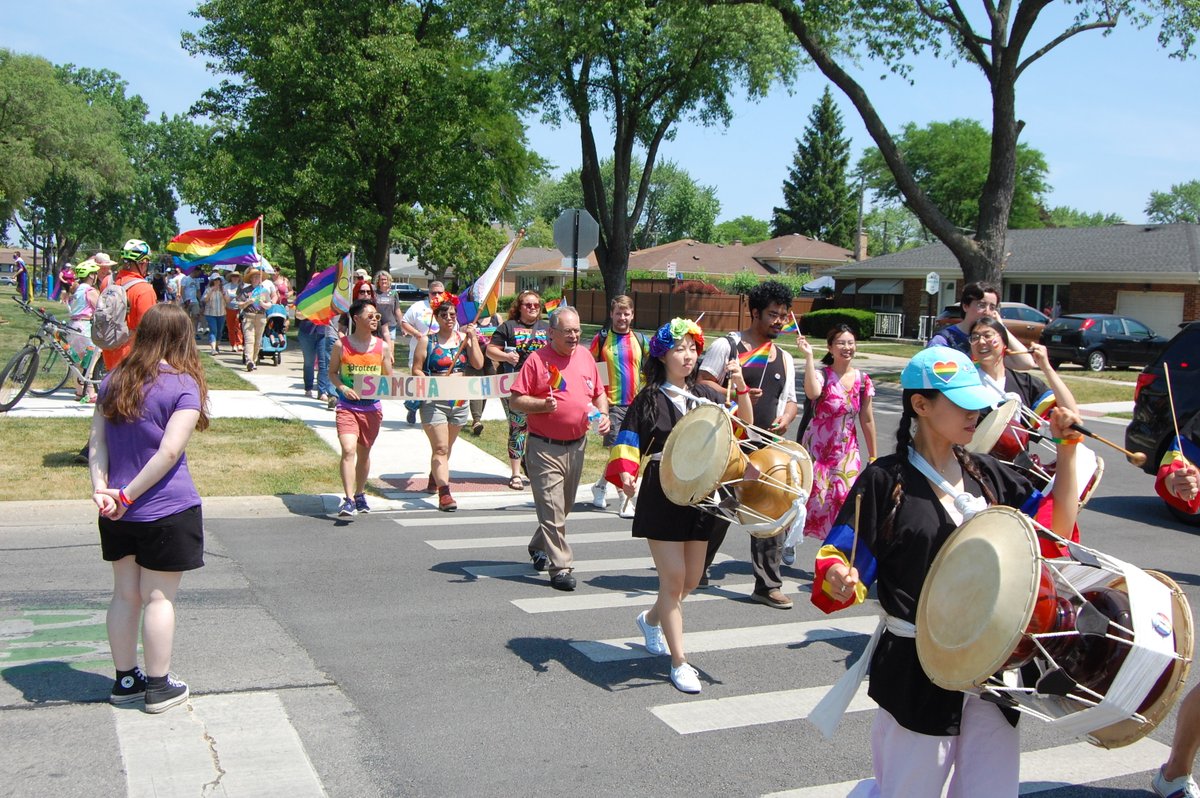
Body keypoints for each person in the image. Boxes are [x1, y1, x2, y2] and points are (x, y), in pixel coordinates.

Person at [811, 346, 1082, 798]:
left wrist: (1069, 451)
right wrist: (840, 575)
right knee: (909, 789)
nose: (976, 412)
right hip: (919, 667)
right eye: (962, 401)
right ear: (921, 405)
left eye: (979, 401)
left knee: (989, 790)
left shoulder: (988, 475)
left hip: (993, 666)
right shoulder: (885, 479)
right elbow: (840, 554)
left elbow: (1054, 532)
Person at [606, 318, 752, 693]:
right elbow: (627, 439)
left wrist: (741, 388)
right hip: (662, 492)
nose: (687, 356)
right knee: (672, 580)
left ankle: (651, 619)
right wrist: (625, 473)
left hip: (702, 496)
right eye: (678, 349)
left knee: (688, 581)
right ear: (662, 355)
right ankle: (680, 661)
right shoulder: (650, 397)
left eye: (692, 348)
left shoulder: (709, 396)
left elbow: (743, 431)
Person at [87, 303, 209, 714]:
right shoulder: (184, 385)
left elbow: (97, 445)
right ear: (182, 338)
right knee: (159, 598)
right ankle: (159, 686)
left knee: (125, 595)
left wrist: (104, 490)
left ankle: (125, 680)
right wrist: (129, 495)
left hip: (116, 511)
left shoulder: (113, 379)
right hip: (165, 507)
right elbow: (170, 450)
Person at [698, 280, 799, 603]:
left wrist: (786, 419)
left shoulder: (784, 357)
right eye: (772, 314)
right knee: (718, 511)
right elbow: (702, 383)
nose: (779, 321)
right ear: (754, 312)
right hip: (728, 445)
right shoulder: (727, 347)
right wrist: (736, 394)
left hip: (767, 448)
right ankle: (696, 568)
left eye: (783, 315)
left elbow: (792, 401)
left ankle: (768, 585)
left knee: (772, 512)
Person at [508, 306, 608, 590]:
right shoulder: (537, 361)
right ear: (551, 333)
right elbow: (516, 400)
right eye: (568, 331)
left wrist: (601, 418)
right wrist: (542, 405)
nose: (574, 336)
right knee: (553, 508)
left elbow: (599, 394)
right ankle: (561, 567)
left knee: (563, 507)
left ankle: (538, 545)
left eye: (577, 330)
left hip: (577, 446)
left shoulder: (586, 357)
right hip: (544, 448)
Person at [791, 324, 876, 559]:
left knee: (843, 501)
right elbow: (812, 393)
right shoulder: (823, 375)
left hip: (847, 451)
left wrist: (873, 455)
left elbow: (867, 420)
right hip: (818, 449)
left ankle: (830, 555)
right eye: (840, 343)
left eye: (850, 343)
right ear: (830, 347)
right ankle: (791, 536)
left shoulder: (863, 380)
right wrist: (808, 357)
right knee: (813, 501)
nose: (846, 348)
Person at [413, 300, 485, 511]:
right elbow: (416, 369)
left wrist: (472, 338)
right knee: (441, 447)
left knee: (447, 447)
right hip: (434, 401)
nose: (450, 318)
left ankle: (435, 475)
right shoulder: (427, 341)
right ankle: (445, 494)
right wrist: (432, 382)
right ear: (437, 317)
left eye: (453, 314)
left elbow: (478, 364)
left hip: (460, 401)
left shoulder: (463, 339)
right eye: (445, 315)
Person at [329, 298, 393, 517]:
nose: (375, 319)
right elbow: (332, 373)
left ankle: (359, 493)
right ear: (356, 319)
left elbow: (388, 378)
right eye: (370, 316)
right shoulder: (341, 345)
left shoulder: (382, 347)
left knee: (364, 454)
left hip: (371, 408)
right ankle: (347, 500)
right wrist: (342, 389)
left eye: (377, 316)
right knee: (348, 449)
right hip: (347, 406)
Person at [588, 295, 648, 516]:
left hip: (636, 405)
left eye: (626, 313)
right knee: (619, 451)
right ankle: (625, 499)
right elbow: (589, 367)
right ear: (611, 314)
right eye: (618, 313)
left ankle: (600, 486)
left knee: (624, 452)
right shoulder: (602, 339)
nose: (622, 317)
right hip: (611, 405)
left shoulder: (641, 340)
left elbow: (653, 365)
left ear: (632, 315)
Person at [487, 290, 551, 490]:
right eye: (528, 305)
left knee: (540, 429)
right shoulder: (508, 326)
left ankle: (532, 464)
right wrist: (507, 357)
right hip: (515, 386)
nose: (533, 308)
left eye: (536, 305)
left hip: (541, 386)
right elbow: (490, 350)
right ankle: (515, 474)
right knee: (518, 428)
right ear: (519, 307)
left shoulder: (547, 328)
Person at [927, 281, 1035, 368]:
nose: (987, 312)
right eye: (981, 305)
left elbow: (1026, 363)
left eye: (992, 307)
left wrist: (1002, 329)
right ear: (965, 306)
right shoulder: (944, 340)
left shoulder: (991, 342)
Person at [101, 240, 158, 371]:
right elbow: (149, 330)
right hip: (133, 358)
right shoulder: (144, 289)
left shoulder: (107, 282)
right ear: (142, 263)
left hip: (109, 351)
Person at [400, 280, 445, 423]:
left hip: (439, 354)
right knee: (418, 383)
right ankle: (412, 407)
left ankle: (435, 413)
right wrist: (417, 334)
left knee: (435, 384)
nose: (436, 295)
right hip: (419, 351)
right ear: (428, 293)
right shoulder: (418, 307)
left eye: (440, 292)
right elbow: (404, 322)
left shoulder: (448, 308)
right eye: (433, 293)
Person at [67, 260, 102, 403]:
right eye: (94, 273)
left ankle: (79, 391)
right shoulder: (90, 291)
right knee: (92, 358)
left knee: (77, 360)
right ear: (91, 275)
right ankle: (90, 393)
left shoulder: (76, 290)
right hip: (84, 326)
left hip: (72, 325)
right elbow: (101, 308)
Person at [237, 267, 271, 371]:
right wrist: (248, 302)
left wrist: (262, 303)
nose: (256, 279)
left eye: (258, 277)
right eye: (254, 277)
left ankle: (254, 360)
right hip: (249, 317)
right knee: (249, 340)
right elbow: (240, 305)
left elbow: (269, 304)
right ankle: (249, 361)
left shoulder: (264, 291)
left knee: (258, 341)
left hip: (261, 317)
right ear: (251, 279)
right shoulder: (245, 291)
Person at [201, 274, 227, 355]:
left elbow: (228, 300)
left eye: (218, 280)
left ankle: (216, 345)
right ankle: (213, 349)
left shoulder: (223, 289)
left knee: (219, 331)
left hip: (221, 313)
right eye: (215, 280)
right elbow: (204, 300)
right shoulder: (208, 289)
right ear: (212, 281)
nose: (217, 281)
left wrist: (224, 294)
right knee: (213, 330)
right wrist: (211, 291)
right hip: (210, 313)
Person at [373, 271, 399, 349]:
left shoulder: (394, 293)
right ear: (378, 281)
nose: (384, 281)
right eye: (382, 279)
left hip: (391, 325)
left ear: (389, 281)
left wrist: (402, 325)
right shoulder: (374, 293)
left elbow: (397, 310)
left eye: (386, 279)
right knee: (377, 349)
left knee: (390, 349)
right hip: (377, 325)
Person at [223, 272, 244, 354]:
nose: (235, 278)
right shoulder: (226, 286)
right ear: (231, 278)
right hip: (229, 308)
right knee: (230, 327)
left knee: (238, 326)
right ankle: (233, 344)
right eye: (233, 276)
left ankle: (239, 343)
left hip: (238, 309)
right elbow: (224, 298)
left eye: (237, 276)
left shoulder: (242, 287)